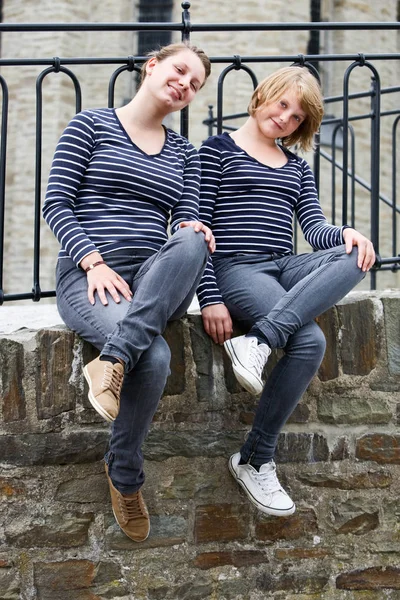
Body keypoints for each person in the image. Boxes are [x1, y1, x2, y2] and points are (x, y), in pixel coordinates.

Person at [43, 42, 214, 542]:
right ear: (153, 65)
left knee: (192, 234)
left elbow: (186, 225)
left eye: (196, 84)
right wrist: (91, 261)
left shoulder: (185, 152)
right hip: (92, 276)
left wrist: (198, 245)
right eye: (180, 70)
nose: (185, 84)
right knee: (156, 357)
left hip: (151, 282)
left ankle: (113, 357)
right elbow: (56, 203)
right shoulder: (90, 125)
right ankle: (124, 475)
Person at [197, 66, 375, 517]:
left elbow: (314, 230)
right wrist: (210, 297)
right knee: (311, 341)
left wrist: (346, 233)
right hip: (237, 267)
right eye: (282, 105)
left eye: (297, 117)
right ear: (262, 97)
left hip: (284, 266)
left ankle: (259, 341)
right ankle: (256, 458)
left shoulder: (297, 167)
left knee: (356, 254)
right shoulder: (215, 151)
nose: (286, 118)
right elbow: (195, 231)